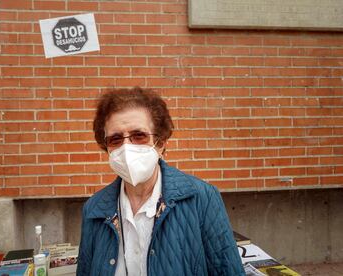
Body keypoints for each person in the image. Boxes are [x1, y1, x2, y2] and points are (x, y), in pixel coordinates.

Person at [77, 87, 245, 276]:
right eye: (115, 139)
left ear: (161, 143)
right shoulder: (94, 210)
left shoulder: (201, 199)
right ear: (106, 147)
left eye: (139, 136)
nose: (126, 147)